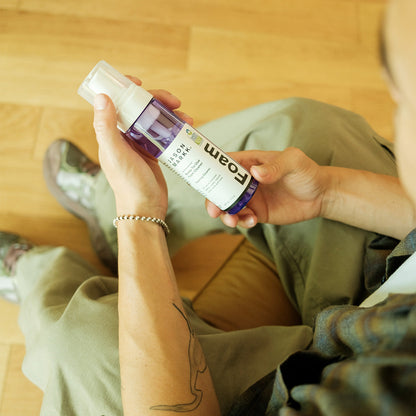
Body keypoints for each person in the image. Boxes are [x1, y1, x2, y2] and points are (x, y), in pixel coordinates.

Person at [0, 0, 415, 414]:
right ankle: (103, 209)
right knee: (304, 130)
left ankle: (38, 275)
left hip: (314, 378)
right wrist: (327, 192)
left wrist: (139, 214)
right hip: (387, 283)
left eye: (403, 102)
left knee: (82, 346)